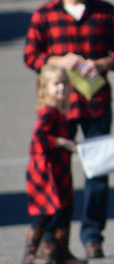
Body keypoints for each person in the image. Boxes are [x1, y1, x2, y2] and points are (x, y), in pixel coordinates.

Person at [24, 0, 114, 259]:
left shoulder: (105, 12)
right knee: (55, 175)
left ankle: (93, 236)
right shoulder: (45, 15)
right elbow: (31, 56)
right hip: (60, 107)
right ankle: (53, 239)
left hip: (96, 102)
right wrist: (57, 60)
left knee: (97, 173)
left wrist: (102, 64)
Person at [23, 64, 83, 264]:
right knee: (46, 212)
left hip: (59, 169)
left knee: (65, 209)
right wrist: (61, 142)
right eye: (56, 84)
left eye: (65, 83)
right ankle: (30, 254)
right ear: (45, 87)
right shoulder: (48, 111)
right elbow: (38, 138)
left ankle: (62, 252)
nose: (62, 88)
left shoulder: (60, 110)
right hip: (44, 171)